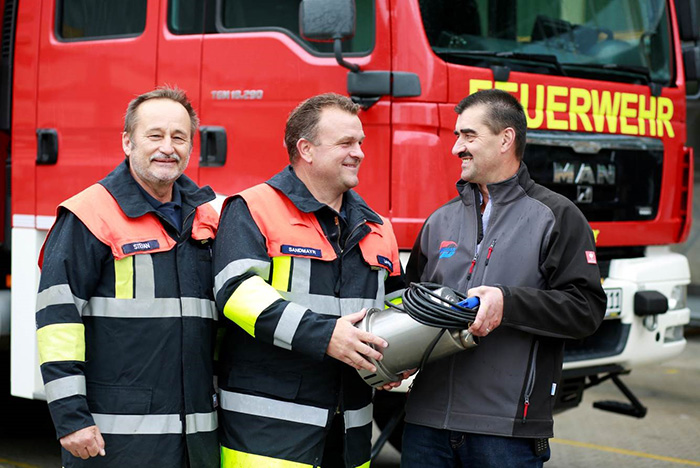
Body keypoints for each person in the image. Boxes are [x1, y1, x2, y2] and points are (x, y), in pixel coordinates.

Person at [401, 89, 607, 467]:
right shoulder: (439, 221)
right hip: (424, 426)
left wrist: (507, 303)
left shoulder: (556, 216)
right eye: (456, 136)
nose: (456, 148)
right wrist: (395, 355)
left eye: (468, 136)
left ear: (505, 139)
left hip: (506, 434)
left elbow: (586, 310)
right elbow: (409, 302)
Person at [213, 92, 404, 467]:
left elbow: (395, 303)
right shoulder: (253, 207)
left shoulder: (378, 227)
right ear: (307, 150)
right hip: (267, 437)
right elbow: (236, 292)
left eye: (360, 142)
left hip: (349, 433)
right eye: (346, 143)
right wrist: (325, 336)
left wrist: (398, 355)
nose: (359, 152)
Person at [35, 87, 220, 467]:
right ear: (127, 142)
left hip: (195, 440)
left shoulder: (208, 218)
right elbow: (58, 323)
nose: (167, 147)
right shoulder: (90, 215)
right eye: (155, 135)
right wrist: (71, 418)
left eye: (179, 137)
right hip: (115, 440)